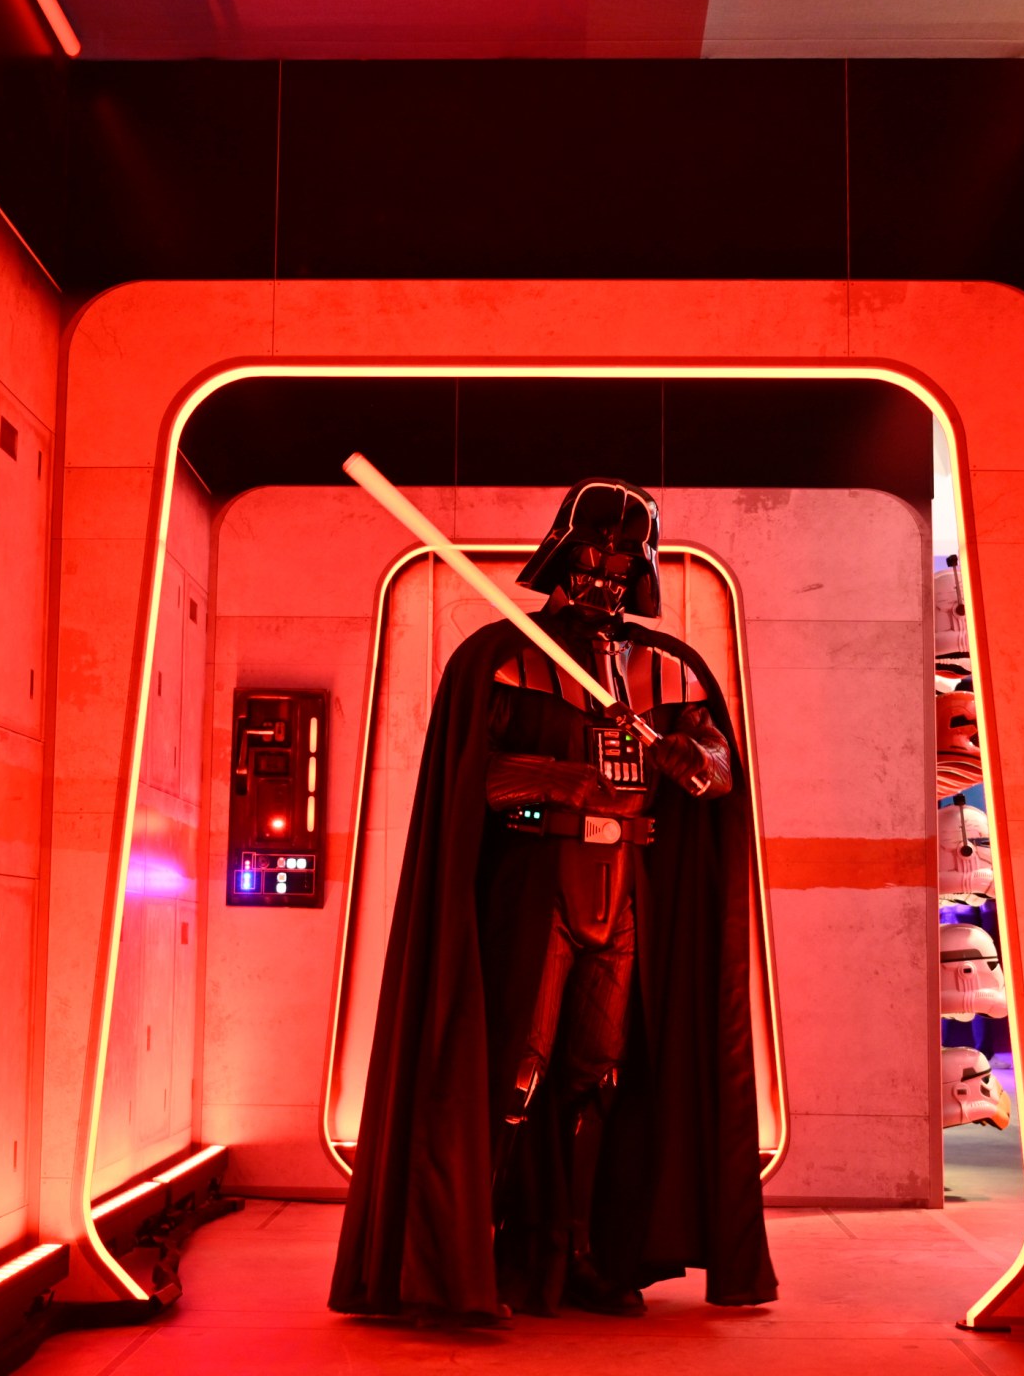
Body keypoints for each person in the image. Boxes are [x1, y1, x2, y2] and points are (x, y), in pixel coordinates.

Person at [330, 479, 777, 1322]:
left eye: (620, 557)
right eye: (588, 553)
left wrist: (694, 758)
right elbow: (477, 781)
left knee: (596, 1080)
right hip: (539, 893)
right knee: (514, 1075)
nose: (603, 572)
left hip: (626, 901)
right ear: (560, 556)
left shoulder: (669, 669)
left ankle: (580, 1252)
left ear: (642, 567)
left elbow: (720, 771)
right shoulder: (503, 659)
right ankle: (486, 1257)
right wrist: (570, 786)